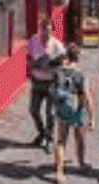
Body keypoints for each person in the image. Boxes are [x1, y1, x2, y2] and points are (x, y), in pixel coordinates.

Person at [50, 44, 94, 181]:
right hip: (76, 111)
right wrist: (92, 117)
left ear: (67, 56)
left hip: (62, 109)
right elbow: (87, 97)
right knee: (79, 137)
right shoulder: (80, 74)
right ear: (77, 57)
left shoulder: (58, 72)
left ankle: (59, 172)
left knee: (61, 140)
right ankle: (81, 163)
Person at [25, 16, 62, 150]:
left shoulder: (57, 45)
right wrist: (30, 68)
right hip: (37, 81)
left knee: (50, 112)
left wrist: (52, 66)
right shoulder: (34, 40)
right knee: (33, 109)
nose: (45, 34)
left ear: (52, 32)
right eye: (44, 30)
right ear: (40, 30)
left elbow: (62, 63)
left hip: (51, 83)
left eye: (48, 31)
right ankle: (41, 133)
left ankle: (49, 138)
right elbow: (28, 56)